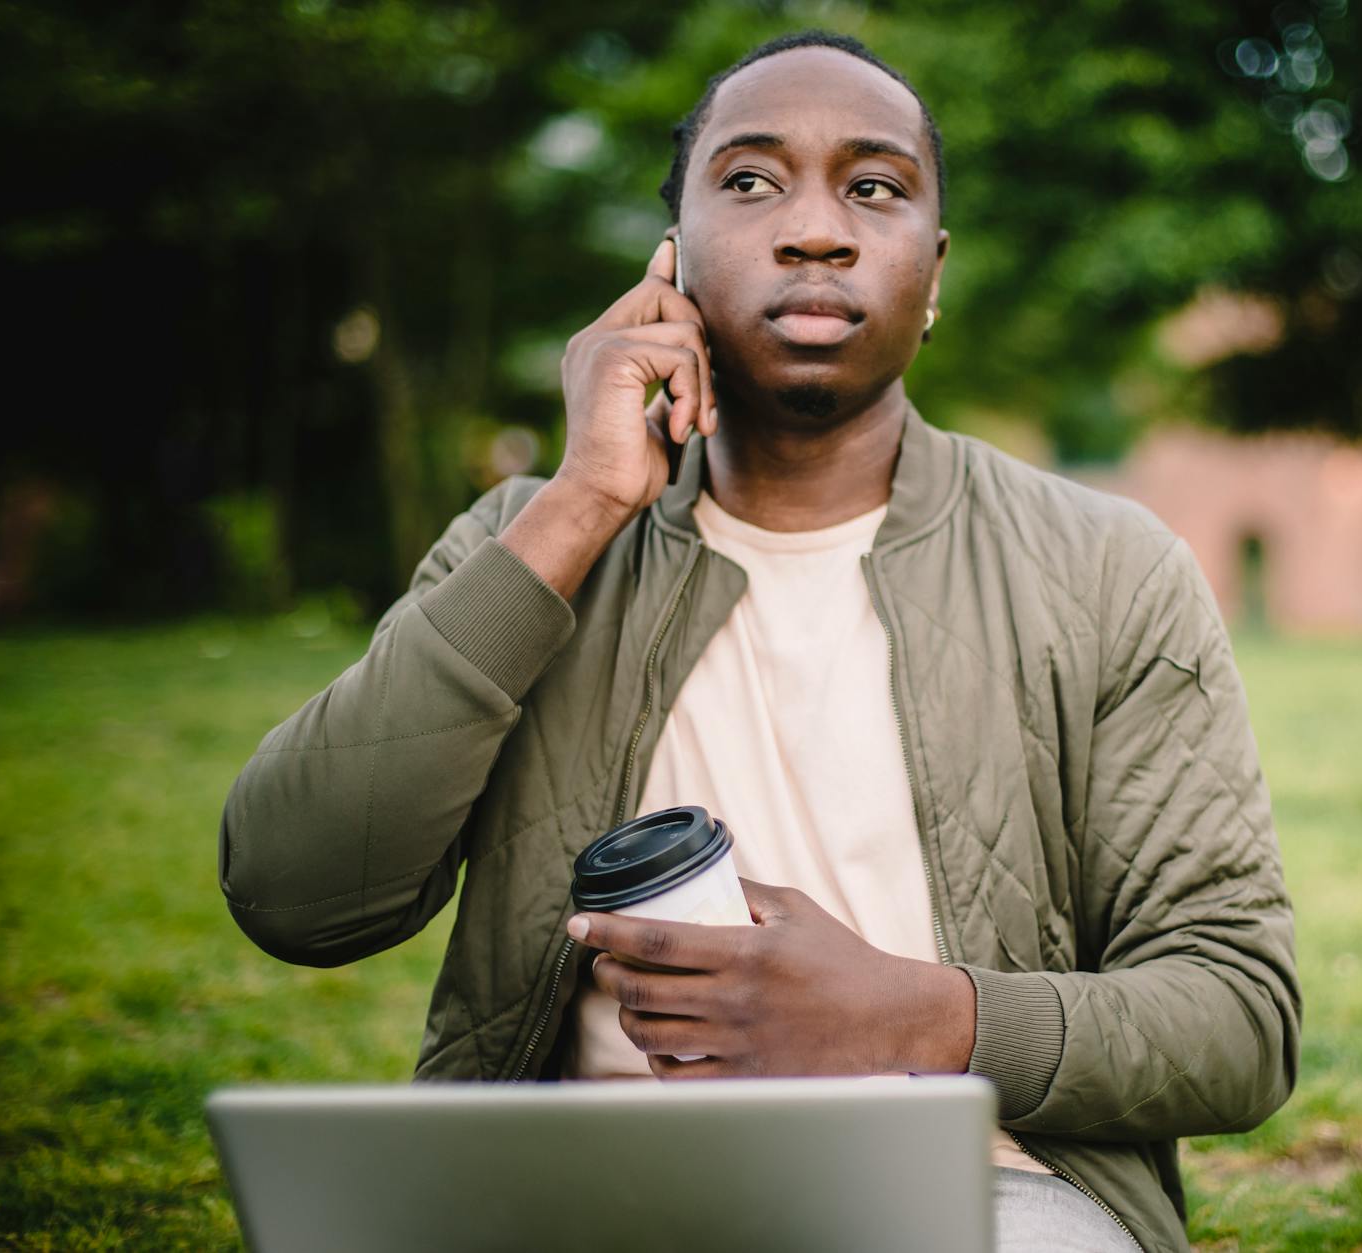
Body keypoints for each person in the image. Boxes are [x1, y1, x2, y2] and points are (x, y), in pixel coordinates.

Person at [219, 29, 1300, 1253]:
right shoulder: (526, 539)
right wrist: (580, 502)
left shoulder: (1107, 567)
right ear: (668, 261)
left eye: (874, 187)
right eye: (748, 181)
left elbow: (1237, 1019)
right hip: (570, 1191)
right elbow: (293, 892)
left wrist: (920, 1017)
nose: (815, 230)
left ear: (931, 274)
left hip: (975, 1198)